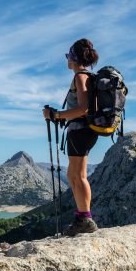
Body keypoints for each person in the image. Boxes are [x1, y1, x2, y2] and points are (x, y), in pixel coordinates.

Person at [42, 38, 99, 236]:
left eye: (68, 56)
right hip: (83, 131)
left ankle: (85, 218)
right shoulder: (87, 77)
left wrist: (56, 115)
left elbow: (83, 109)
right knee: (72, 174)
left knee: (79, 175)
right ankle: (82, 216)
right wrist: (59, 115)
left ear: (74, 58)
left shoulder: (80, 77)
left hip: (80, 131)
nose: (67, 59)